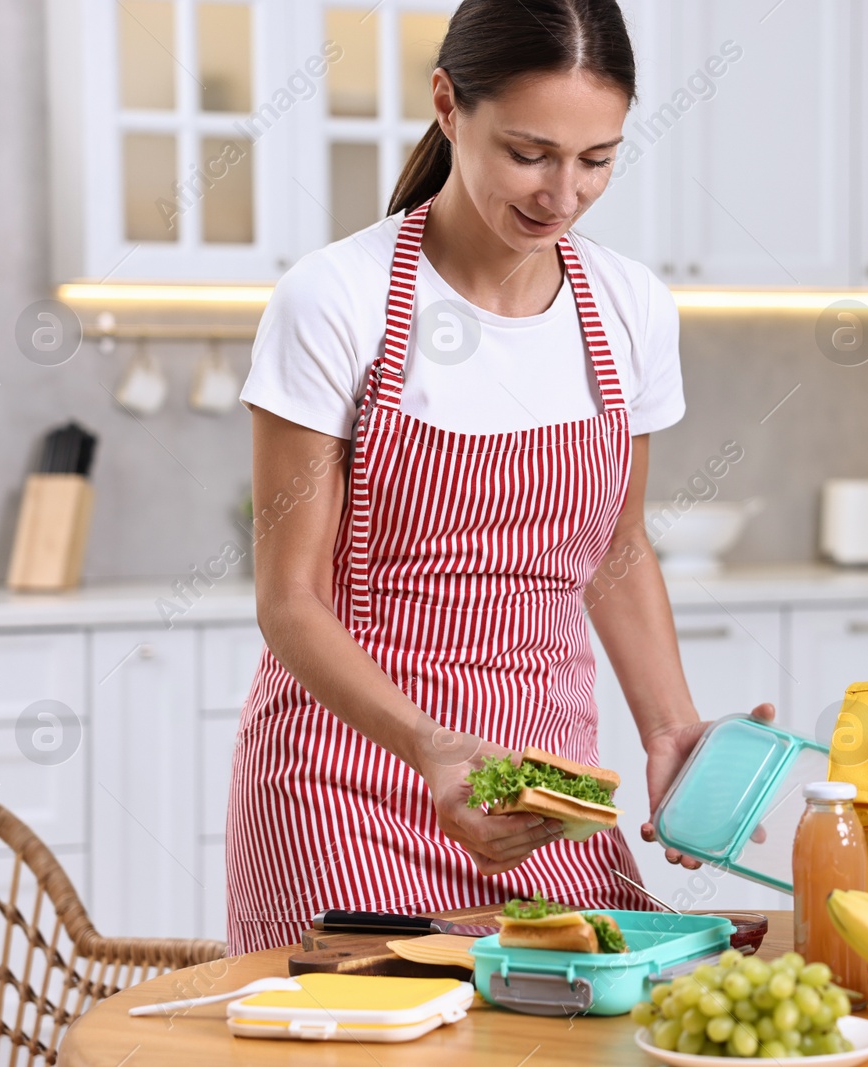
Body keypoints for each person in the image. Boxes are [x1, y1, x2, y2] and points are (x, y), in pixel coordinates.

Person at [225, 0, 772, 954]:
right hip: (347, 785)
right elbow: (291, 599)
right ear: (447, 103)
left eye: (596, 159)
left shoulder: (630, 306)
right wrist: (437, 752)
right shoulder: (335, 299)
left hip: (551, 795)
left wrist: (671, 727)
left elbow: (615, 547)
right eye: (530, 153)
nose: (562, 194)